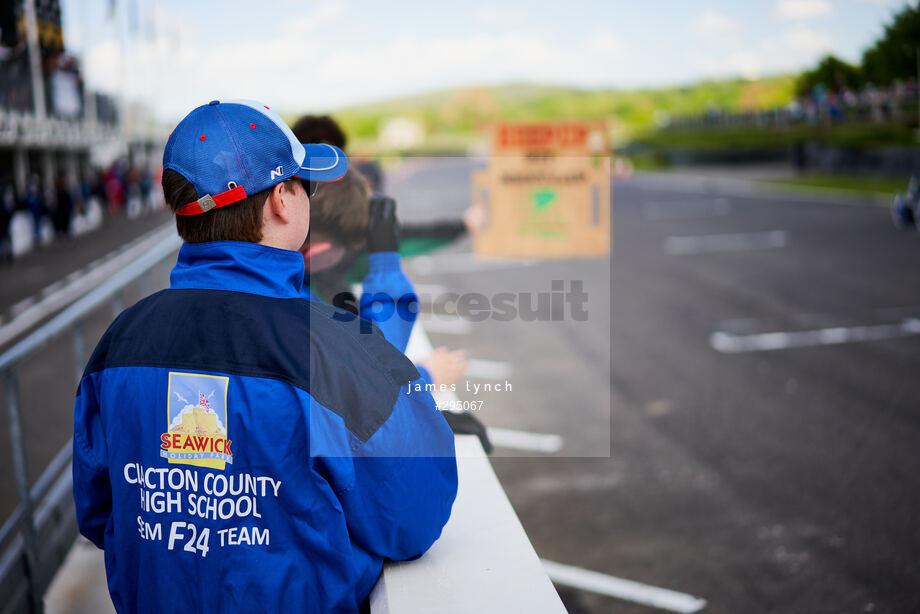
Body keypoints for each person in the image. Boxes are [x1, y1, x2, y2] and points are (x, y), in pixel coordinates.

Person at [72, 99, 458, 614]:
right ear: (282, 200)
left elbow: (100, 514)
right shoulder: (334, 346)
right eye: (306, 186)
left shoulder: (117, 344)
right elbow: (416, 509)